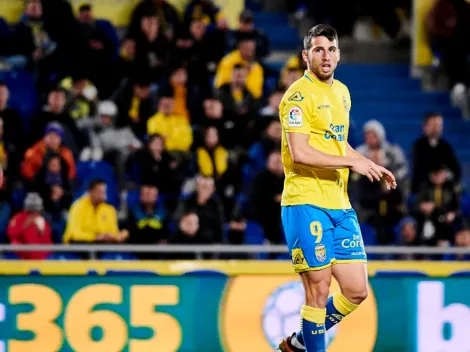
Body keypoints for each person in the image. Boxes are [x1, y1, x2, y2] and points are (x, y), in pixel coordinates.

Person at [277, 25, 397, 352]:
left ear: (339, 54)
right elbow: (299, 152)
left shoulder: (342, 92)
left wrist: (368, 163)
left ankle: (300, 341)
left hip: (339, 205)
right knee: (318, 291)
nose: (325, 55)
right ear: (306, 56)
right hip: (305, 201)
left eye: (331, 49)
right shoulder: (297, 96)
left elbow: (339, 142)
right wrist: (351, 163)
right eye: (318, 50)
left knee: (357, 290)